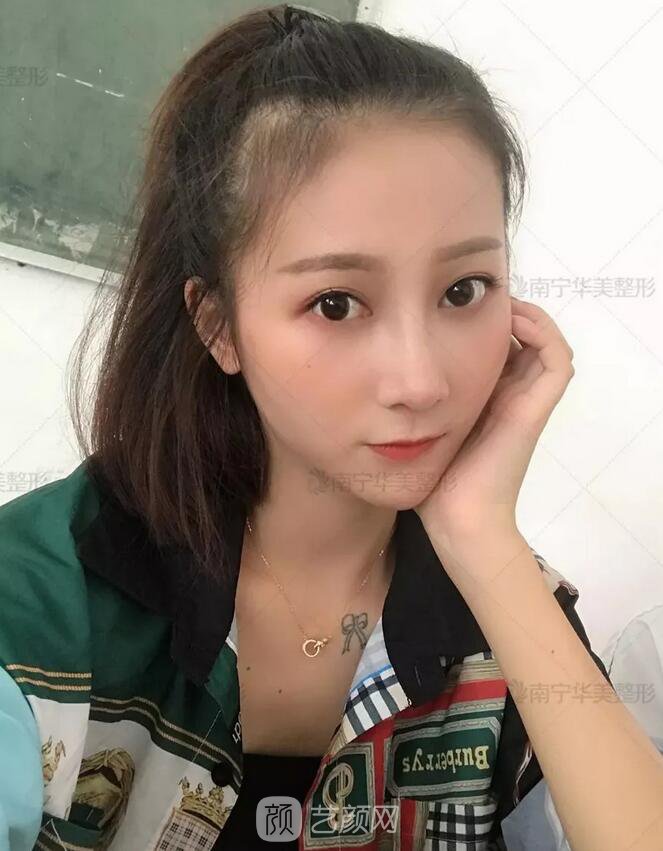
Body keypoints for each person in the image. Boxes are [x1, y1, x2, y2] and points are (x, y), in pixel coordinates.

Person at [1, 3, 662, 850]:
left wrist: (482, 537)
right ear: (218, 325)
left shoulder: (511, 609)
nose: (420, 381)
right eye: (336, 303)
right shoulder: (40, 604)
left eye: (462, 290)